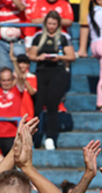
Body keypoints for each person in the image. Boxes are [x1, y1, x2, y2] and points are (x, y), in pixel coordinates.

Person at [27, 11, 75, 150]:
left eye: (54, 24)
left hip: (57, 72)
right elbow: (31, 54)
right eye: (49, 23)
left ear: (58, 24)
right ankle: (34, 137)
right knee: (37, 106)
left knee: (52, 105)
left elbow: (71, 56)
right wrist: (39, 57)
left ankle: (50, 137)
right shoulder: (38, 37)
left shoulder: (63, 37)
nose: (51, 26)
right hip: (42, 72)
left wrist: (59, 58)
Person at [0, 67, 28, 156]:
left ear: (12, 80)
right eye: (3, 80)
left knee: (11, 164)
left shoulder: (17, 91)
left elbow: (21, 78)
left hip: (12, 134)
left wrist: (14, 61)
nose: (6, 83)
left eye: (8, 80)